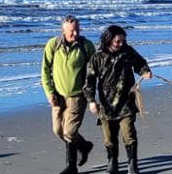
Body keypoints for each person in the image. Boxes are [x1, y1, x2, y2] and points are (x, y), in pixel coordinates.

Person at [84, 25, 152, 174]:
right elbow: (89, 81)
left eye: (123, 40)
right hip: (106, 105)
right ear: (109, 40)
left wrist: (145, 71)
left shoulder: (128, 52)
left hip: (126, 103)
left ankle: (132, 165)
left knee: (129, 134)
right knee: (109, 138)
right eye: (118, 41)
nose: (121, 43)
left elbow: (140, 63)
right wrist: (91, 101)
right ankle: (112, 161)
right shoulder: (97, 57)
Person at [41, 15, 96, 174]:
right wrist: (49, 93)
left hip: (78, 96)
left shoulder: (86, 46)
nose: (75, 34)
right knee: (58, 130)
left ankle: (71, 167)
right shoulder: (53, 45)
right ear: (63, 30)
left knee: (69, 132)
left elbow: (94, 71)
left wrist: (92, 96)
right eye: (72, 31)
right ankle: (84, 146)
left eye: (77, 30)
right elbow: (45, 71)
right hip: (57, 96)